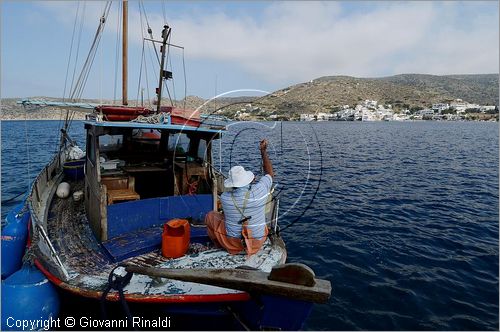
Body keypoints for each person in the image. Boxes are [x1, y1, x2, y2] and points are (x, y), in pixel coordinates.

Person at [205, 139, 274, 255]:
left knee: (210, 216)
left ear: (232, 184)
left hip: (233, 243)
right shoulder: (259, 190)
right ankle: (250, 247)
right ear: (249, 180)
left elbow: (226, 215)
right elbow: (270, 174)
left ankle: (219, 246)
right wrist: (263, 151)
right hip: (257, 242)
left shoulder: (225, 198)